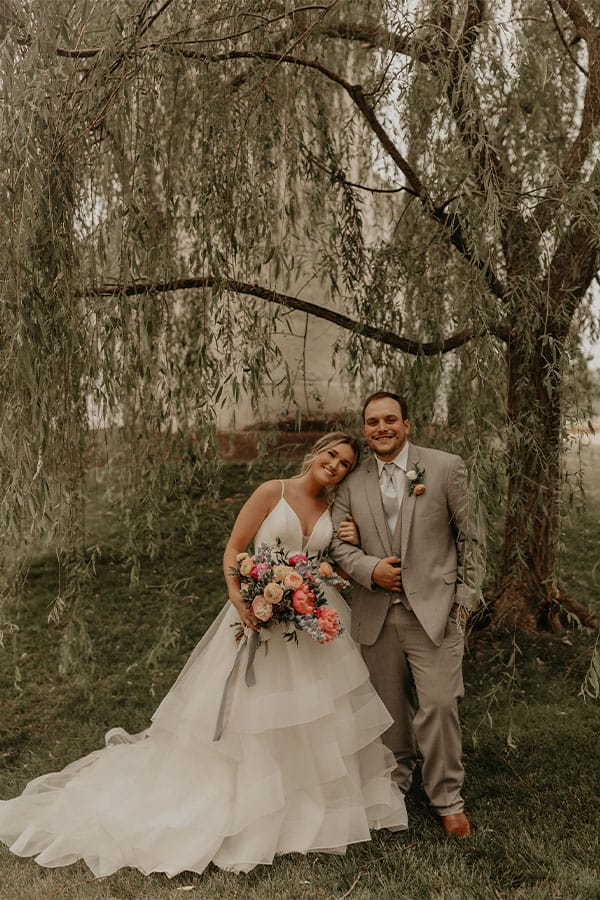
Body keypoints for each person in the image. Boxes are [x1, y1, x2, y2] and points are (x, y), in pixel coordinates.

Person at [0, 432, 407, 878]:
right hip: (258, 614)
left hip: (315, 620)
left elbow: (339, 561)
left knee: (319, 715)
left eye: (345, 463)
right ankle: (252, 802)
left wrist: (348, 538)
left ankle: (309, 801)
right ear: (317, 453)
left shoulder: (335, 511)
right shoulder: (273, 491)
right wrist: (241, 599)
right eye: (332, 455)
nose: (335, 465)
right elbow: (235, 549)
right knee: (254, 716)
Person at [330, 393, 485, 838]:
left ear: (407, 425)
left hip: (435, 614)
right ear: (364, 429)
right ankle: (393, 785)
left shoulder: (445, 467)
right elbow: (336, 544)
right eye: (373, 422)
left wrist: (464, 602)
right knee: (387, 709)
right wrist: (370, 569)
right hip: (376, 612)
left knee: (439, 706)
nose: (382, 428)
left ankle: (446, 797)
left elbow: (473, 537)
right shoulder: (351, 480)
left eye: (390, 420)